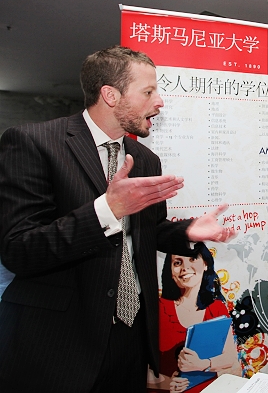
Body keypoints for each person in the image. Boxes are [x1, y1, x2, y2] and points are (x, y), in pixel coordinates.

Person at [0, 46, 236, 392]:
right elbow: (19, 249)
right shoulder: (34, 143)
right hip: (59, 343)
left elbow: (147, 230)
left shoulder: (145, 159)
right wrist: (106, 211)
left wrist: (187, 232)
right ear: (110, 95)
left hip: (131, 338)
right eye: (148, 92)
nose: (159, 102)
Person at [156, 243, 235, 393]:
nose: (185, 268)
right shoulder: (157, 308)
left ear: (205, 264)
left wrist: (203, 364)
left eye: (192, 259)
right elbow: (136, 366)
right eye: (177, 263)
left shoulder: (217, 308)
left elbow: (230, 357)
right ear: (170, 271)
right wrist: (168, 383)